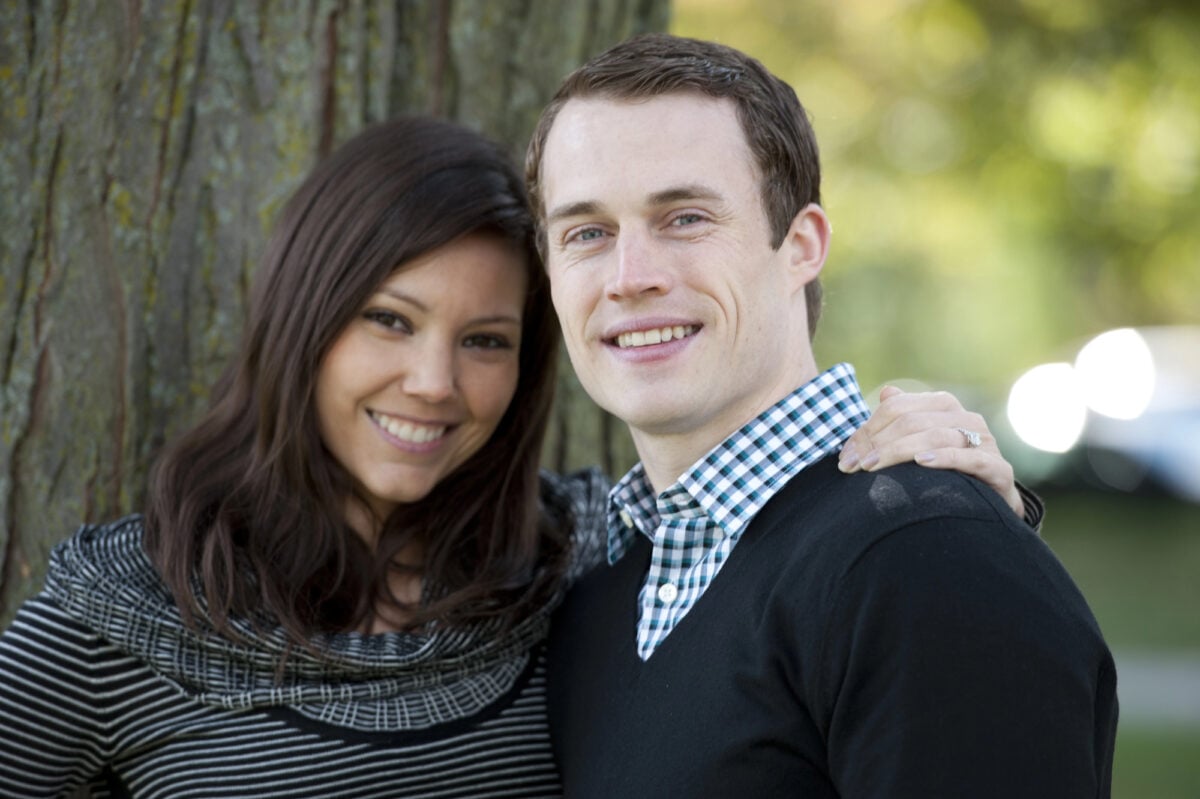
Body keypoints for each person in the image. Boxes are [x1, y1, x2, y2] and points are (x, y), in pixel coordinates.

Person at [0, 117, 1033, 796]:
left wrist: (960, 485)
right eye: (389, 320)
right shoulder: (115, 620)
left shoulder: (590, 558)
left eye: (486, 341)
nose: (435, 382)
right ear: (301, 321)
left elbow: (795, 551)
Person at [527, 33, 1117, 797]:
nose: (629, 277)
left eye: (685, 218)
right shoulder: (598, 597)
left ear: (802, 245)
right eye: (587, 233)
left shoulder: (925, 559)